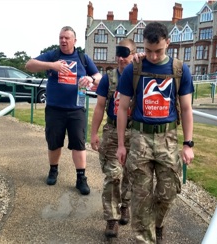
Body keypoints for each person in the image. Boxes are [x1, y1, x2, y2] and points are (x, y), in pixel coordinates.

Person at [115, 22, 195, 243]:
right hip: (139, 138)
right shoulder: (135, 68)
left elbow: (187, 109)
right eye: (148, 50)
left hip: (167, 139)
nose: (152, 55)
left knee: (167, 193)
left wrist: (188, 144)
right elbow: (122, 109)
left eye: (158, 50)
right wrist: (122, 145)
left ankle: (157, 224)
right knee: (140, 198)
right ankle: (146, 237)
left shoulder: (179, 70)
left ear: (168, 43)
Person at [25, 26, 102, 195]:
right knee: (54, 143)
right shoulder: (53, 56)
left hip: (76, 109)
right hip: (54, 109)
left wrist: (90, 78)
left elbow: (99, 77)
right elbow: (29, 65)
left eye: (67, 38)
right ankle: (53, 170)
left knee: (79, 144)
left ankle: (81, 178)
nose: (63, 41)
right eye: (61, 37)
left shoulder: (83, 58)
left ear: (75, 40)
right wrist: (52, 65)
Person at [90, 39, 136, 238]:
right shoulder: (109, 78)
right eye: (118, 54)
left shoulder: (140, 76)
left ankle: (125, 205)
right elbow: (100, 106)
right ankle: (112, 218)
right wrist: (93, 134)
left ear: (134, 54)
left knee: (130, 175)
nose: (120, 58)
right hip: (111, 131)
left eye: (125, 54)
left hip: (135, 133)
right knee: (112, 175)